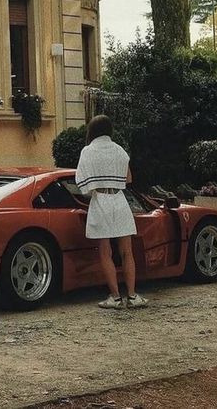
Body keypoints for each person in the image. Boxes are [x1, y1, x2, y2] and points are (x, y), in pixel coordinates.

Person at [75, 114, 148, 310]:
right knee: (127, 252)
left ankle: (115, 298)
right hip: (119, 200)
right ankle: (132, 296)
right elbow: (128, 179)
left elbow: (81, 183)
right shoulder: (120, 150)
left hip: (100, 200)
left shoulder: (87, 151)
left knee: (105, 252)